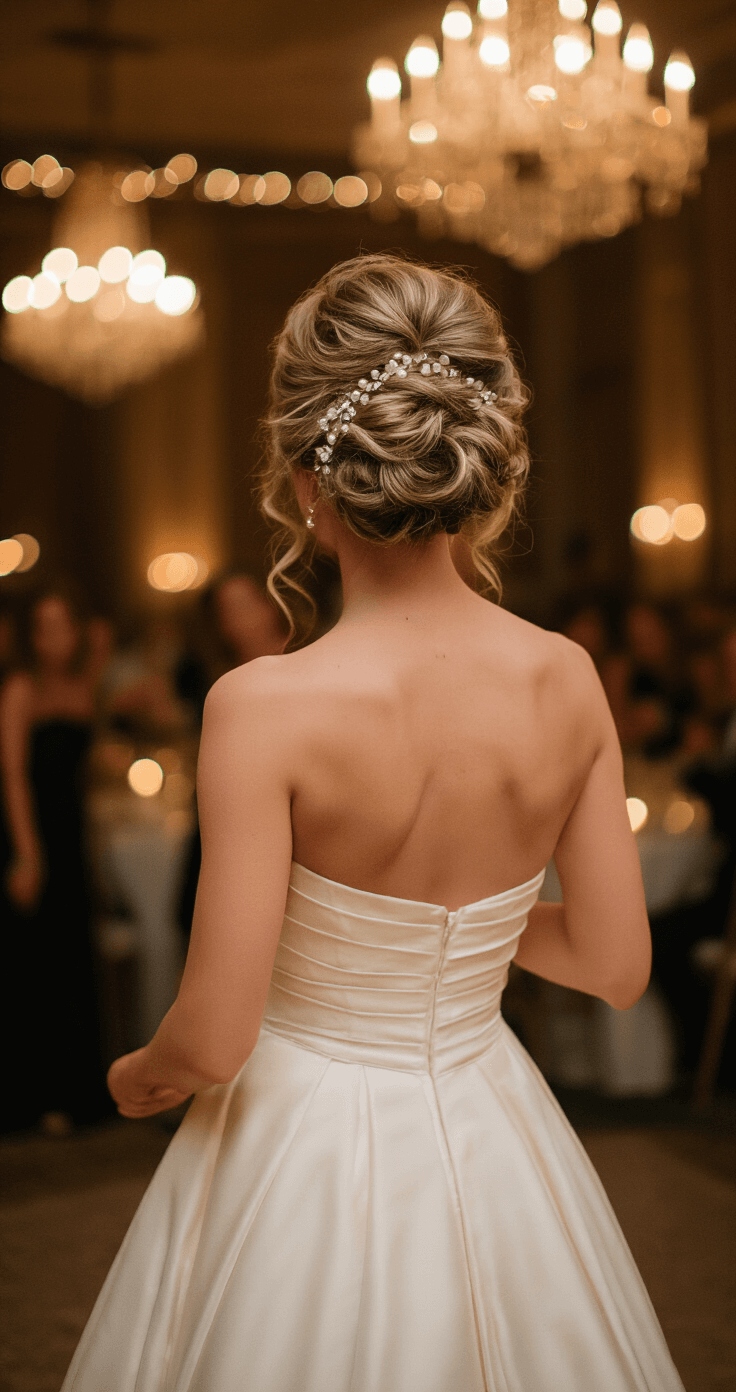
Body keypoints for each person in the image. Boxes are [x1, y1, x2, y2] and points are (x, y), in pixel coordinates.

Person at [63, 254, 683, 1391]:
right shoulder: (566, 678)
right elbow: (614, 963)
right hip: (488, 1103)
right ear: (475, 464)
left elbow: (215, 1036)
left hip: (300, 1135)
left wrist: (135, 1075)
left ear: (307, 481)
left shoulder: (262, 705)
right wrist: (459, 942)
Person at [0, 586, 111, 1132]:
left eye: (63, 626)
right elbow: (12, 775)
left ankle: (78, 1093)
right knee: (36, 966)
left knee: (74, 957)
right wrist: (26, 853)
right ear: (30, 635)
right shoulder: (22, 688)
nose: (54, 638)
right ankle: (38, 1097)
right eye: (44, 628)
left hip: (72, 838)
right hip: (33, 836)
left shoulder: (80, 686)